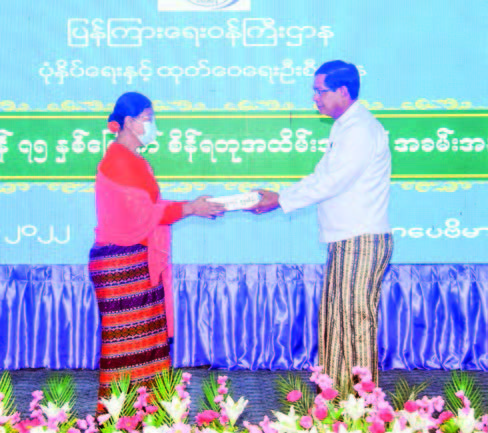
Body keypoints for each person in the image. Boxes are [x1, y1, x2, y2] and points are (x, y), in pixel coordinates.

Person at [251, 60, 393, 393]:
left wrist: (281, 200)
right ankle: (337, 398)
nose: (315, 98)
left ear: (343, 91)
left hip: (361, 239)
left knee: (355, 323)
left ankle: (362, 404)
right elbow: (321, 177)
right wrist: (281, 197)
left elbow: (333, 182)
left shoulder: (360, 129)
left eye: (320, 91)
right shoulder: (345, 127)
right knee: (337, 322)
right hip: (347, 239)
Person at [88, 92, 225, 401]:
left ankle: (146, 413)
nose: (153, 127)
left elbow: (150, 209)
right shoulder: (119, 160)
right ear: (129, 122)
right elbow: (142, 214)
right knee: (126, 351)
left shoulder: (134, 160)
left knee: (146, 347)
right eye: (148, 119)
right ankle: (122, 415)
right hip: (121, 264)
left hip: (134, 260)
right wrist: (190, 208)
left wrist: (191, 206)